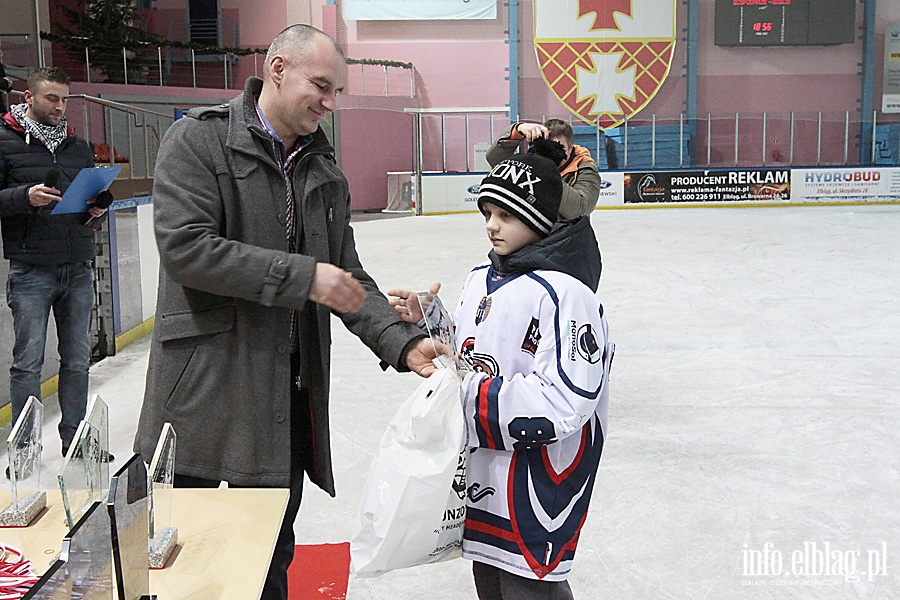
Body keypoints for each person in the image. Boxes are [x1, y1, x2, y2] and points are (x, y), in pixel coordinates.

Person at [132, 24, 438, 600]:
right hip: (201, 397)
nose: (329, 101)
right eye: (320, 85)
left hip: (284, 403)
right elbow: (186, 249)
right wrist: (305, 276)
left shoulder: (325, 170)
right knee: (181, 567)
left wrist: (400, 341)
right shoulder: (199, 143)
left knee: (269, 564)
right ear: (276, 68)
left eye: (337, 91)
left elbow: (346, 275)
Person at [389, 152, 613, 600]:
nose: (491, 225)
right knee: (489, 577)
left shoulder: (568, 294)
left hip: (534, 481)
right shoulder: (481, 277)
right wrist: (431, 320)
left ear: (541, 217)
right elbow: (473, 350)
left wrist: (467, 394)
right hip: (484, 470)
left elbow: (567, 400)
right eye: (488, 213)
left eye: (506, 214)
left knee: (527, 584)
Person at [0, 66, 109, 458]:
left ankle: (77, 442)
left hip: (78, 264)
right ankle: (25, 449)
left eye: (65, 99)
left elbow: (79, 203)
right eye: (52, 99)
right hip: (30, 268)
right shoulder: (4, 140)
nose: (61, 107)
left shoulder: (77, 146)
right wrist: (23, 197)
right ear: (27, 97)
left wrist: (95, 211)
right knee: (27, 363)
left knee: (78, 359)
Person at [486, 118, 602, 220]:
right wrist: (517, 130)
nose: (553, 153)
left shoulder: (585, 168)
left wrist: (547, 171)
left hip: (566, 238)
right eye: (549, 147)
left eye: (560, 148)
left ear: (571, 148)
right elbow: (495, 160)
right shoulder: (533, 160)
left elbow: (579, 210)